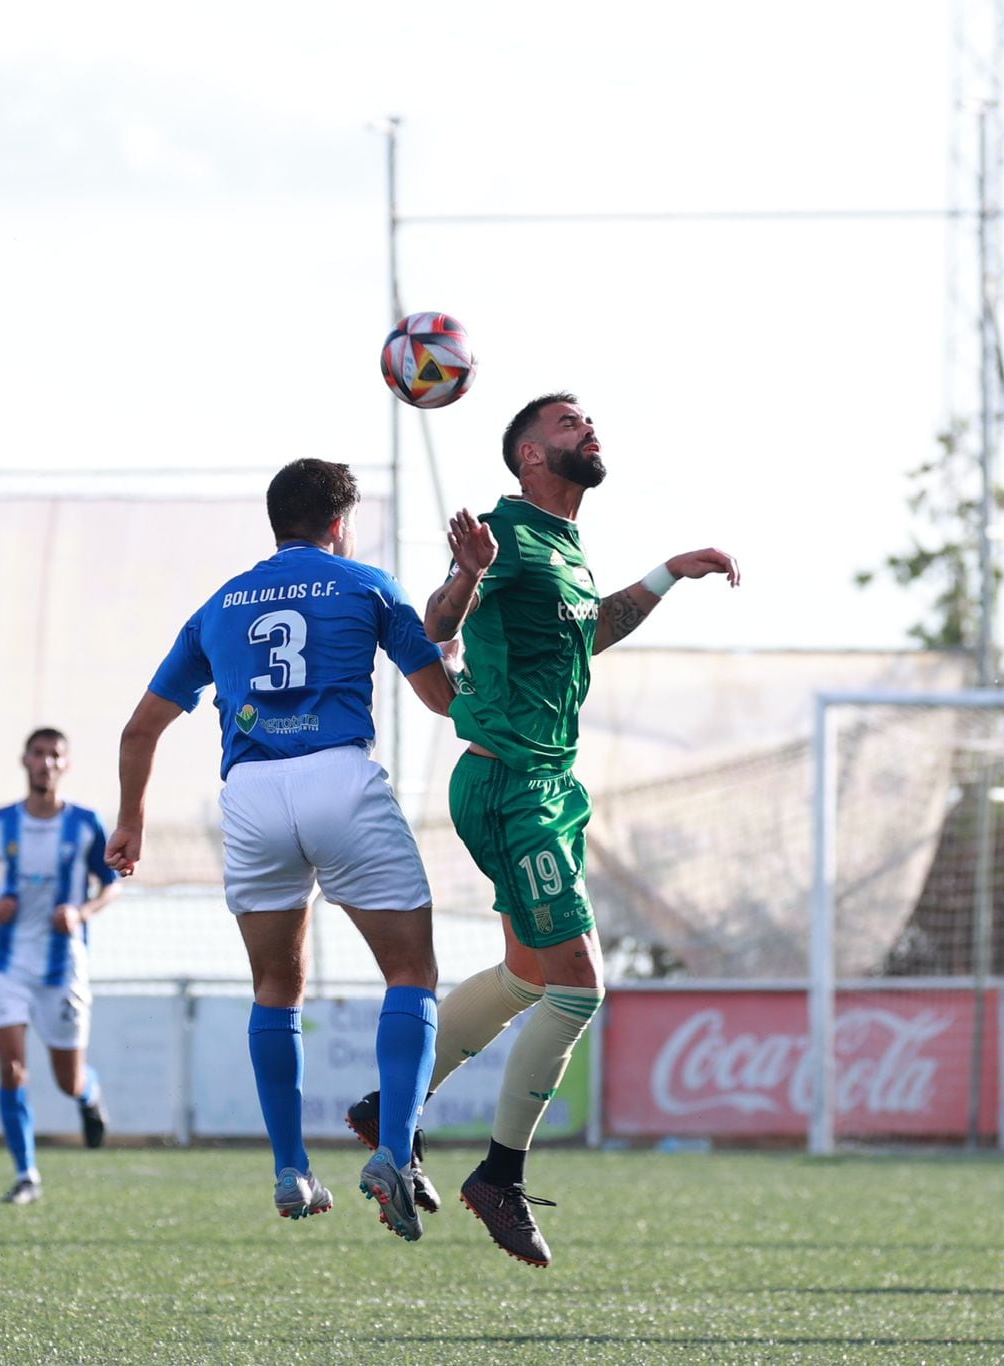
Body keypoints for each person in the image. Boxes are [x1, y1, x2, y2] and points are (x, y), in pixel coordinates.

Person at [347, 392, 738, 1267]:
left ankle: (389, 1110)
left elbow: (586, 634)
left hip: (547, 786)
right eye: (567, 423)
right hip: (512, 786)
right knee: (581, 986)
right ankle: (499, 1174)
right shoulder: (508, 532)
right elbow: (433, 628)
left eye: (587, 420)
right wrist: (469, 573)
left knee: (530, 974)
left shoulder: (564, 545)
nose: (588, 428)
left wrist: (670, 572)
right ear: (528, 454)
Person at [107, 458, 459, 1241]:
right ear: (340, 523)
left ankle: (292, 1168)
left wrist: (130, 819)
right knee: (411, 973)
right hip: (339, 776)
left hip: (254, 795)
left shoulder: (221, 603)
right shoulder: (366, 583)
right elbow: (440, 696)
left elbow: (139, 729)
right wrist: (456, 650)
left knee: (275, 986)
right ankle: (395, 1153)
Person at [0, 727, 120, 1204]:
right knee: (12, 1070)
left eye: (55, 755)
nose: (46, 762)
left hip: (63, 968)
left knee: (68, 1080)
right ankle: (27, 1175)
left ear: (65, 765)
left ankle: (89, 1094)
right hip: (8, 964)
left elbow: (112, 882)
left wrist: (81, 912)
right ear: (24, 760)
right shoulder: (0, 823)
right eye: (39, 754)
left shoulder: (86, 823)